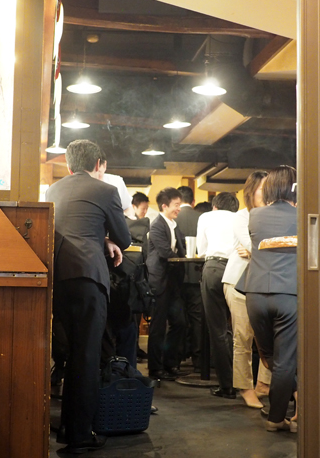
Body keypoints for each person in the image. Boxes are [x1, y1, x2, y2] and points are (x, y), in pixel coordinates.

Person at [45, 139, 132, 454]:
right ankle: (80, 435)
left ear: (69, 166)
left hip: (58, 279)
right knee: (87, 355)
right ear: (99, 164)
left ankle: (68, 429)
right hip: (88, 279)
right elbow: (125, 238)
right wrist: (108, 239)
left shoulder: (53, 190)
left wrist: (100, 237)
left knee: (70, 354)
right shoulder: (106, 190)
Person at [243, 165, 298, 433]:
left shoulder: (255, 216)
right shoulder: (303, 216)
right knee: (285, 360)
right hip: (288, 294)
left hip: (255, 295)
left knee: (270, 357)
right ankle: (277, 417)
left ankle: (292, 403)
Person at [222, 171, 270, 409]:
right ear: (251, 191)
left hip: (264, 282)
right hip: (238, 281)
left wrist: (257, 250)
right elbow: (256, 245)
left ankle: (264, 384)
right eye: (263, 188)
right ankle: (245, 388)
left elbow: (261, 248)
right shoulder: (242, 216)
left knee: (268, 336)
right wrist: (258, 249)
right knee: (243, 337)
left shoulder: (273, 214)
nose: (267, 192)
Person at [196, 192, 239, 399]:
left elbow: (201, 249)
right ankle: (244, 383)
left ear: (214, 206)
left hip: (213, 268)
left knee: (218, 329)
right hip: (237, 269)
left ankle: (227, 386)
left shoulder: (206, 217)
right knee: (240, 329)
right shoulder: (240, 218)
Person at [146, 187, 187, 381]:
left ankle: (170, 363)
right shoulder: (156, 225)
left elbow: (181, 249)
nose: (179, 208)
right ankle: (155, 368)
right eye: (176, 205)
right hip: (159, 280)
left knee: (179, 322)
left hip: (173, 281)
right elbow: (164, 252)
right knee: (158, 326)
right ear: (164, 206)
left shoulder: (174, 225)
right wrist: (182, 259)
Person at [175, 185, 203, 371]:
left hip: (176, 276)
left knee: (176, 320)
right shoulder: (201, 217)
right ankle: (199, 361)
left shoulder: (173, 217)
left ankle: (175, 360)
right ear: (193, 201)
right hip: (196, 274)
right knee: (197, 319)